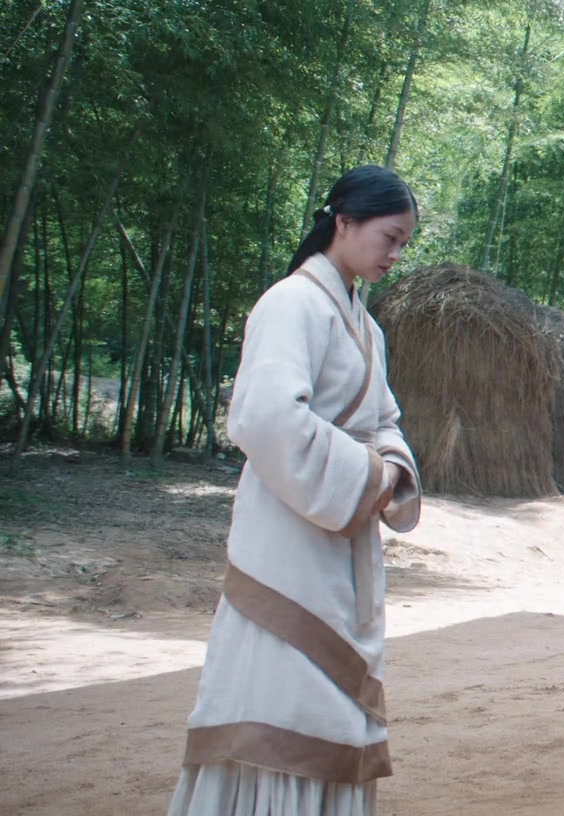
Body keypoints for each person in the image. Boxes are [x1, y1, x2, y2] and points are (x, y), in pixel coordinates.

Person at [169, 165, 423, 816]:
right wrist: (369, 475)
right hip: (288, 526)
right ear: (345, 222)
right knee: (282, 686)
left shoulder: (366, 325)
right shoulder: (292, 303)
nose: (395, 255)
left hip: (343, 527)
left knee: (333, 697)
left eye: (404, 244)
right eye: (390, 238)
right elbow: (266, 417)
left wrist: (390, 469)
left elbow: (385, 419)